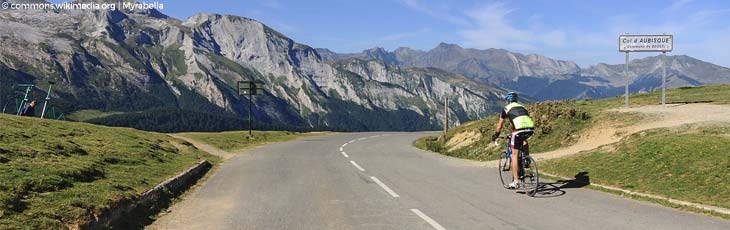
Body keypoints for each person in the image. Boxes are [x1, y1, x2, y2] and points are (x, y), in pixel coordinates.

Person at [491, 92, 535, 189]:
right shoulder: (523, 107)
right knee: (523, 140)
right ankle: (526, 159)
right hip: (530, 129)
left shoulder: (506, 109)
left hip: (518, 130)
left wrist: (496, 135)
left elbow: (500, 126)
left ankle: (515, 182)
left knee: (514, 155)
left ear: (508, 101)